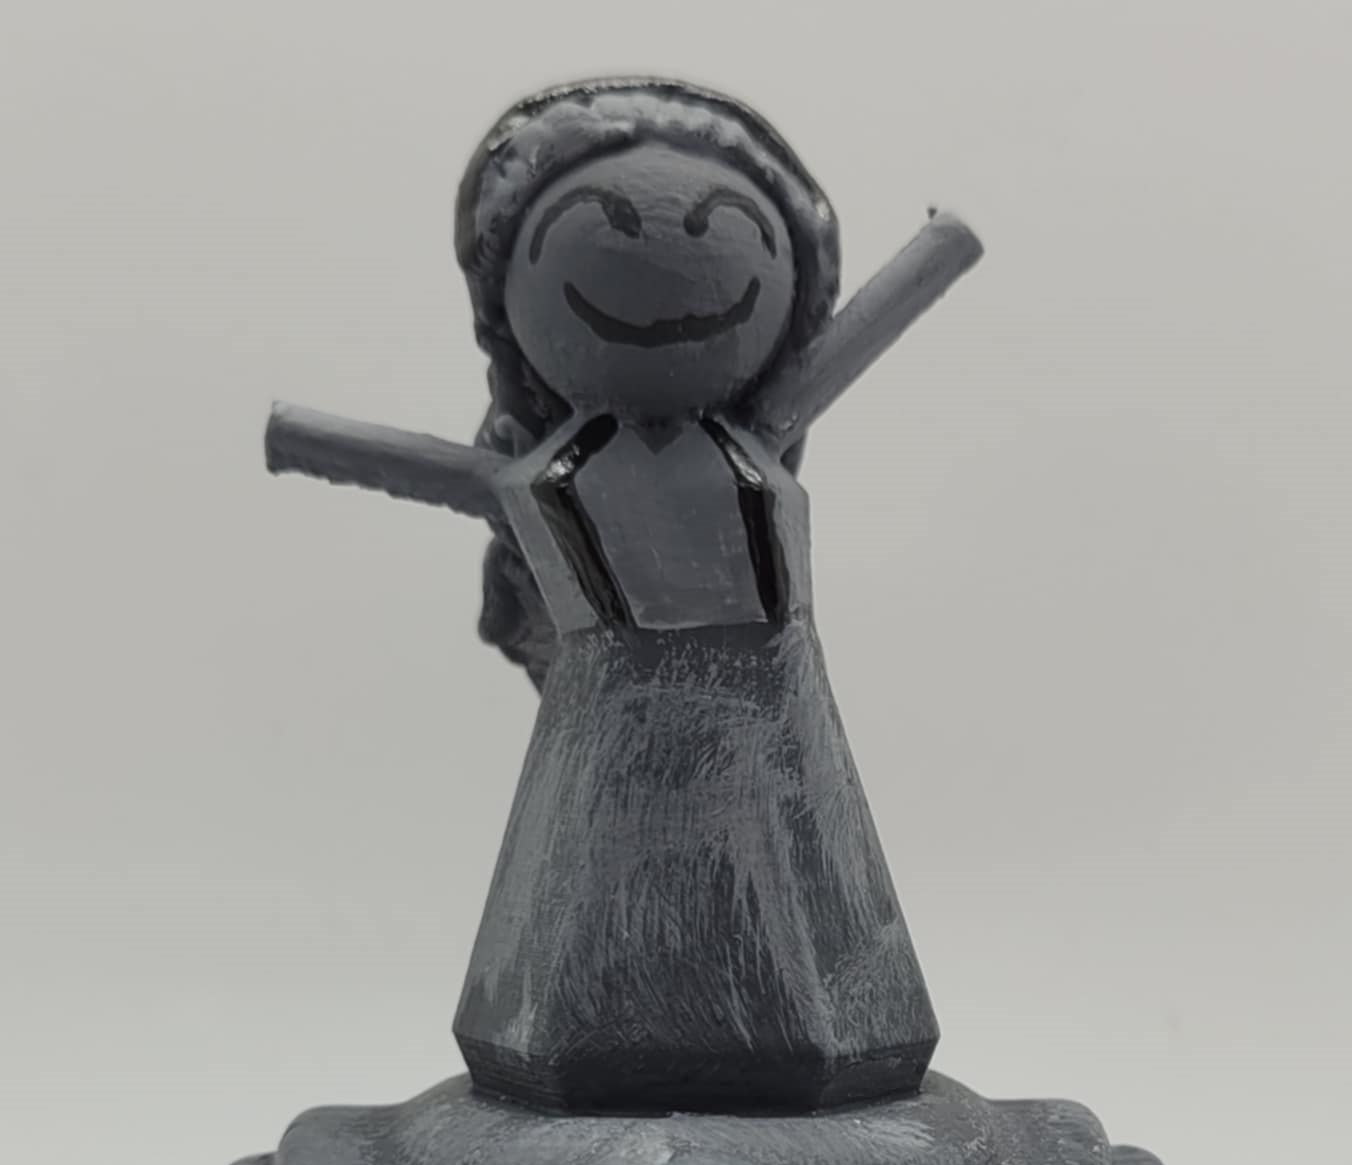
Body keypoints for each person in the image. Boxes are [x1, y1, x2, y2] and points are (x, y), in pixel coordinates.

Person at [267, 78, 983, 1111]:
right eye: (595, 231)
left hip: (777, 728)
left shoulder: (752, 429)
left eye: (723, 230)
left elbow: (885, 310)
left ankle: (793, 1045)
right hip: (605, 735)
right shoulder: (550, 474)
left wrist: (947, 245)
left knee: (799, 923)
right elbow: (420, 466)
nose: (666, 255)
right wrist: (300, 439)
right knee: (595, 923)